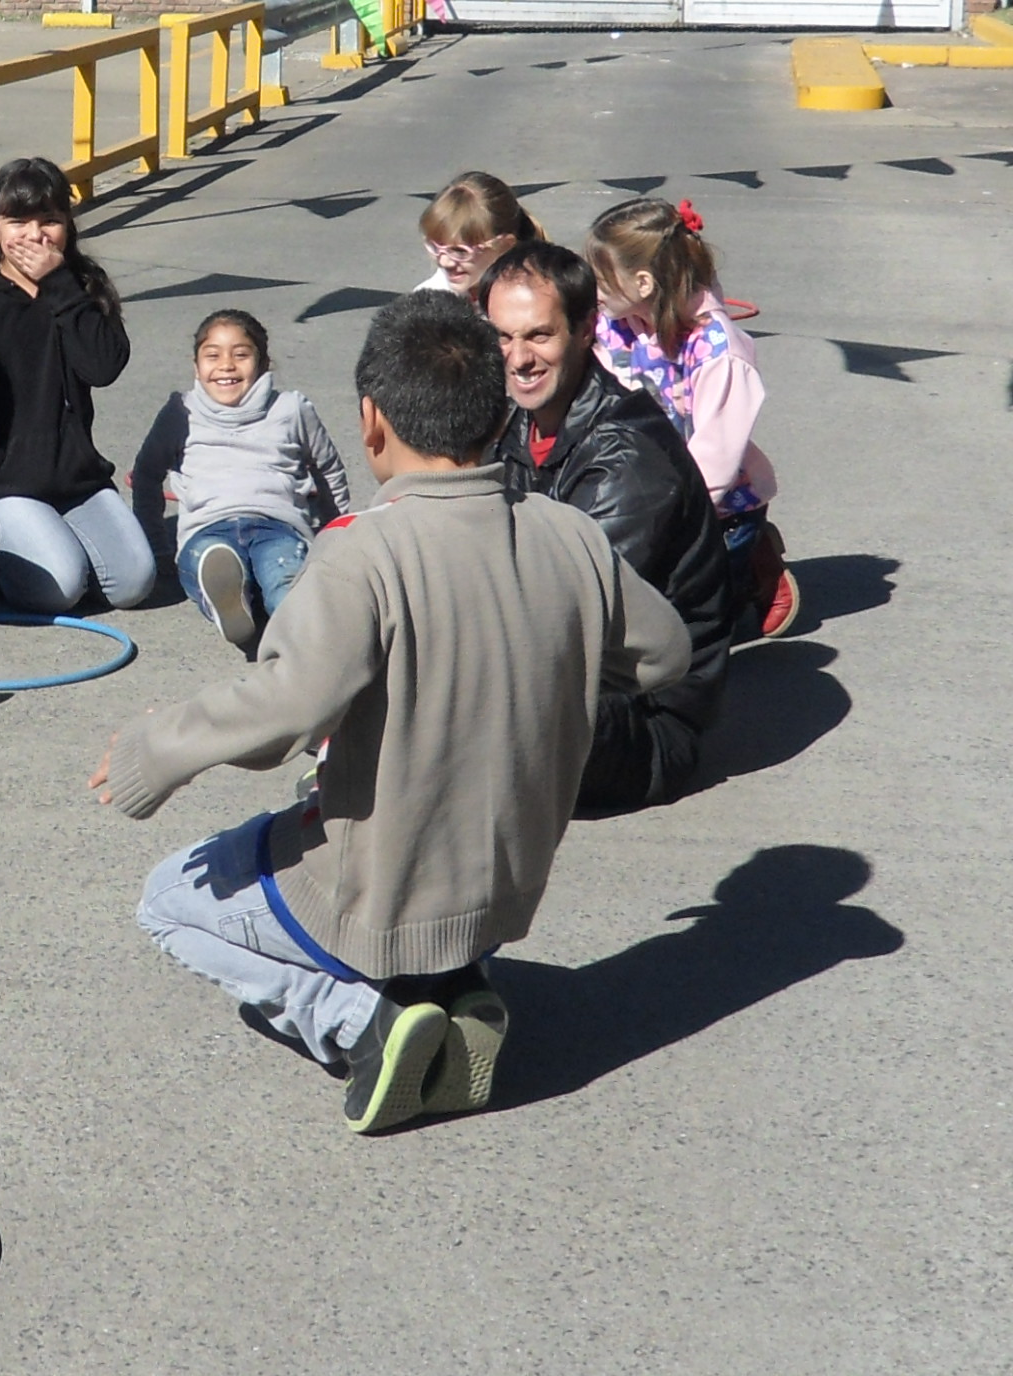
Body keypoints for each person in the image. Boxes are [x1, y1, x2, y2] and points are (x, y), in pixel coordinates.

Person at [93, 294, 688, 1134]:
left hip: (377, 893)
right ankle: (452, 988)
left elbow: (286, 708)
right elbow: (663, 653)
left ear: (372, 422)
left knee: (166, 898)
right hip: (503, 889)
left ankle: (368, 1024)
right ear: (496, 410)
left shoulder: (361, 551)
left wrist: (157, 747)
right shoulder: (570, 537)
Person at [483, 245, 739, 817]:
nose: (518, 358)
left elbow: (562, 622)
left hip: (645, 720)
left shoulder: (628, 459)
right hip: (578, 682)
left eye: (538, 336)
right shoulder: (520, 420)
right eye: (502, 337)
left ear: (585, 330)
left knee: (468, 689)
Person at [0, 156, 156, 613]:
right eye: (18, 222)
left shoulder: (80, 284)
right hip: (3, 486)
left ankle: (52, 539)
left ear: (68, 224)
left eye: (49, 221)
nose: (34, 236)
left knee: (134, 583)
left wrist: (60, 286)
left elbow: (104, 366)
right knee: (61, 588)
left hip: (76, 478)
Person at [586, 195, 793, 638]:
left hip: (714, 504)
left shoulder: (719, 353)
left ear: (643, 283)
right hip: (652, 482)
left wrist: (667, 521)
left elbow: (714, 458)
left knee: (698, 622)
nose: (593, 289)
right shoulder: (615, 321)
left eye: (602, 279)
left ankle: (758, 568)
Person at [127, 308, 353, 656]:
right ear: (196, 366)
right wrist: (156, 548)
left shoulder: (291, 409)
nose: (227, 365)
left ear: (263, 364)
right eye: (212, 355)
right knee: (208, 561)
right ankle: (229, 601)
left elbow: (328, 470)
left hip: (277, 526)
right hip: (208, 530)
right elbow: (146, 475)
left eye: (241, 354)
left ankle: (298, 626)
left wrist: (332, 536)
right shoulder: (180, 412)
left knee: (284, 572)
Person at [416, 170, 545, 302]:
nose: (444, 262)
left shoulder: (532, 301)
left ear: (504, 246)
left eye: (460, 251)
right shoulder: (429, 300)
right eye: (435, 247)